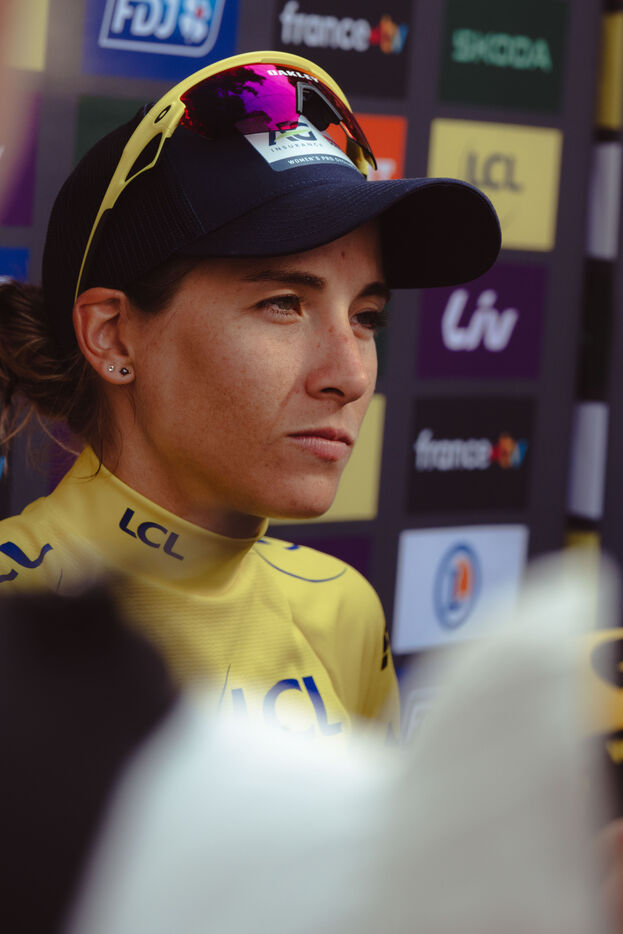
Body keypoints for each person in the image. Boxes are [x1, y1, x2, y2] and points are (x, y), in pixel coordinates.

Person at [0, 51, 500, 740]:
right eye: (283, 304)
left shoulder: (342, 612)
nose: (350, 376)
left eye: (365, 317)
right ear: (112, 336)